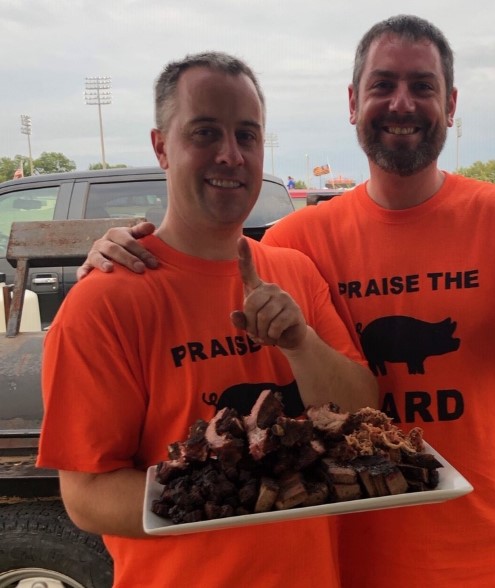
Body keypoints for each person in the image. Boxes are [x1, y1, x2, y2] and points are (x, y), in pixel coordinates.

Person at [77, 16, 495, 588]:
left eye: (423, 86)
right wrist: (120, 255)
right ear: (353, 102)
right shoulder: (293, 247)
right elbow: (210, 262)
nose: (402, 103)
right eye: (382, 85)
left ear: (451, 106)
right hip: (355, 567)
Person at [37, 51, 378, 588]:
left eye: (247, 135)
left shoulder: (295, 271)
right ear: (161, 147)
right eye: (204, 133)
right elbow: (87, 496)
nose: (231, 155)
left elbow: (363, 413)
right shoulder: (103, 302)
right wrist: (240, 493)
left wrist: (299, 343)